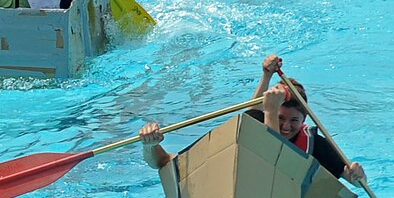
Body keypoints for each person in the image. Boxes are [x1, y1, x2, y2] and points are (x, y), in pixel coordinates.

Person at [140, 55, 367, 186]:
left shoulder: (314, 144)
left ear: (304, 119)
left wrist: (357, 176)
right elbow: (162, 163)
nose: (287, 126)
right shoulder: (245, 132)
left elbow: (352, 180)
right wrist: (150, 145)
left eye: (294, 121)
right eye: (279, 118)